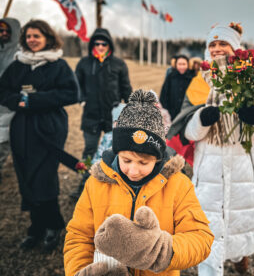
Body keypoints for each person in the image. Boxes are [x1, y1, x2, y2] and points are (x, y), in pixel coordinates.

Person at [64, 90, 214, 276]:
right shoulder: (96, 183)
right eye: (126, 160)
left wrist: (159, 251)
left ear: (158, 158)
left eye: (144, 163)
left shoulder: (178, 185)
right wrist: (81, 271)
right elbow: (78, 236)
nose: (134, 171)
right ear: (116, 151)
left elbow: (201, 238)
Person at [183, 24, 254, 275]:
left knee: (240, 228)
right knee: (209, 238)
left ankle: (239, 259)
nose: (216, 49)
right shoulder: (198, 84)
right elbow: (187, 133)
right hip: (209, 173)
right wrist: (202, 120)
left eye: (223, 43)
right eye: (212, 45)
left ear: (236, 49)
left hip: (246, 171)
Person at [0, 19, 79, 250]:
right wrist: (17, 101)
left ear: (48, 38)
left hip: (49, 126)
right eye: (28, 36)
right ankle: (36, 228)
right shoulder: (18, 65)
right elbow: (3, 91)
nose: (32, 40)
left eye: (37, 36)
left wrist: (34, 100)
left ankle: (53, 225)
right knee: (26, 176)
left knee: (44, 176)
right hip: (22, 127)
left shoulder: (58, 65)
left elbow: (71, 93)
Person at [73, 28, 132, 198]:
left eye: (103, 43)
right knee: (89, 153)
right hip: (90, 117)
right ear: (92, 44)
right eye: (97, 43)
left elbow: (126, 88)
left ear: (109, 45)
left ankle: (107, 189)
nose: (100, 46)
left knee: (111, 153)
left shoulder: (119, 64)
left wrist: (132, 106)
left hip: (112, 117)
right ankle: (83, 189)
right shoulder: (84, 63)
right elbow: (76, 86)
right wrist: (82, 98)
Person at [0, 18, 21, 184]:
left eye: (8, 31)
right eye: (1, 30)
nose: (4, 33)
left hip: (9, 106)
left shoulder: (19, 56)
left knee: (4, 141)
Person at [160, 55, 194, 120]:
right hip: (171, 113)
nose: (182, 67)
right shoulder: (171, 77)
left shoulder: (192, 77)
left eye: (184, 64)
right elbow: (164, 94)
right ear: (176, 65)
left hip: (187, 113)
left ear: (188, 65)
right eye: (179, 64)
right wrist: (165, 110)